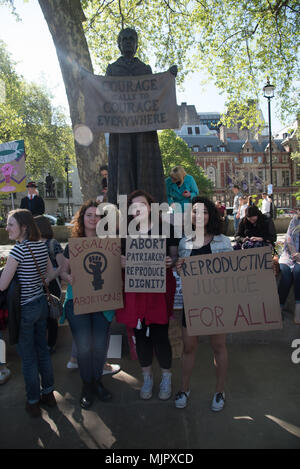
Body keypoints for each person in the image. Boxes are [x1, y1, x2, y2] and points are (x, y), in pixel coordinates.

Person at [116, 190, 178, 400]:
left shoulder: (166, 229)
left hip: (159, 293)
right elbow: (118, 259)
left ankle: (166, 377)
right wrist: (121, 262)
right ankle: (147, 377)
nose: (138, 208)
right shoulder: (124, 232)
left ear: (150, 207)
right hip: (135, 293)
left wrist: (171, 261)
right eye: (134, 205)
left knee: (161, 336)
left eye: (142, 204)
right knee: (140, 336)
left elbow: (174, 257)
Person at [106, 27, 177, 204]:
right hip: (121, 131)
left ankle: (150, 207)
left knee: (145, 166)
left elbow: (156, 92)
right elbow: (103, 94)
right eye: (124, 39)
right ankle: (123, 209)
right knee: (123, 168)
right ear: (119, 44)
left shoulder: (144, 68)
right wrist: (88, 80)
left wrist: (168, 77)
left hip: (144, 129)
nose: (128, 42)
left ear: (137, 44)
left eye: (132, 39)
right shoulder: (113, 69)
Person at [175, 196, 233, 411]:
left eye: (204, 212)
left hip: (217, 303)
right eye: (195, 211)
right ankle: (184, 388)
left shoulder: (223, 242)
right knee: (189, 348)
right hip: (192, 304)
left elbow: (233, 273)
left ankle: (219, 391)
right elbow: (181, 275)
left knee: (218, 346)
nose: (199, 215)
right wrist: (178, 268)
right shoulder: (184, 242)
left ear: (211, 215)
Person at [0, 209, 59, 417]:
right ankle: (49, 394)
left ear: (23, 227)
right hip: (41, 305)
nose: (7, 228)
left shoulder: (17, 252)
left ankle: (33, 400)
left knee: (28, 358)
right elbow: (51, 273)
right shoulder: (41, 246)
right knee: (42, 351)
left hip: (24, 309)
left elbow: (2, 285)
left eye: (10, 224)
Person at [62, 200, 113, 409]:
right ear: (82, 219)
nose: (93, 219)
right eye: (89, 215)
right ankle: (87, 385)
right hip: (78, 301)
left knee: (100, 346)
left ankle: (98, 381)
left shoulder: (110, 242)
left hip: (103, 301)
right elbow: (63, 271)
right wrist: (68, 277)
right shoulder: (73, 244)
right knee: (83, 347)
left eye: (97, 215)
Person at [34, 215, 66, 354]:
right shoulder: (32, 243)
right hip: (37, 286)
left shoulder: (52, 244)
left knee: (51, 317)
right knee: (40, 317)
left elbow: (62, 266)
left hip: (52, 285)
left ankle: (51, 344)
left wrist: (49, 278)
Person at [277, 208, 300, 324]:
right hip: (289, 255)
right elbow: (289, 239)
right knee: (285, 274)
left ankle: (298, 308)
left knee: (298, 272)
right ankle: (278, 308)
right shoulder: (294, 221)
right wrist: (294, 253)